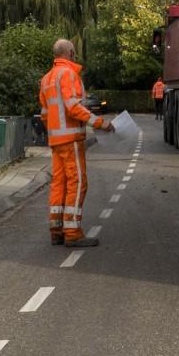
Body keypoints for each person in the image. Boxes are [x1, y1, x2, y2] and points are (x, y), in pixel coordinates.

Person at [41, 38, 111, 247]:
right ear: (71, 53)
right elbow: (73, 107)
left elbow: (45, 113)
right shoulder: (69, 74)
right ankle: (72, 232)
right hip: (71, 140)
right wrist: (99, 122)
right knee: (77, 183)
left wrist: (55, 132)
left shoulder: (46, 79)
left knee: (59, 184)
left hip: (56, 140)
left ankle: (56, 230)